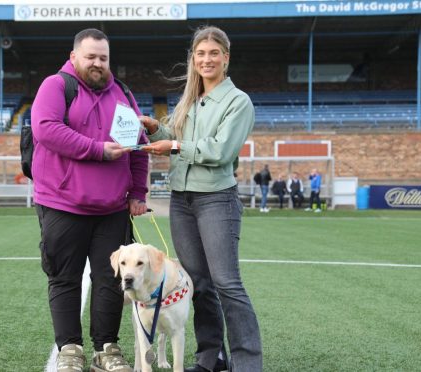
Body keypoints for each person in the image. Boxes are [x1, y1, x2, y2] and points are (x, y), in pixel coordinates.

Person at [139, 26, 262, 372]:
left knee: (227, 283)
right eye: (200, 54)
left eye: (213, 53)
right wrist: (154, 129)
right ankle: (211, 357)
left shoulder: (238, 102)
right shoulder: (190, 99)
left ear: (226, 57)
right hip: (182, 201)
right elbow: (173, 138)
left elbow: (220, 152)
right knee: (200, 285)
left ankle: (248, 363)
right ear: (193, 59)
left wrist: (174, 145)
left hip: (216, 201)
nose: (206, 59)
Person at [30, 28, 149, 372]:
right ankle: (69, 349)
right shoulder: (56, 85)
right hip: (61, 203)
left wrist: (138, 192)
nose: (97, 63)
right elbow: (46, 128)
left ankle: (107, 349)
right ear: (74, 58)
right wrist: (97, 150)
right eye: (91, 57)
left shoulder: (123, 94)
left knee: (112, 279)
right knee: (64, 278)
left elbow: (137, 146)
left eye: (103, 58)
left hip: (112, 208)